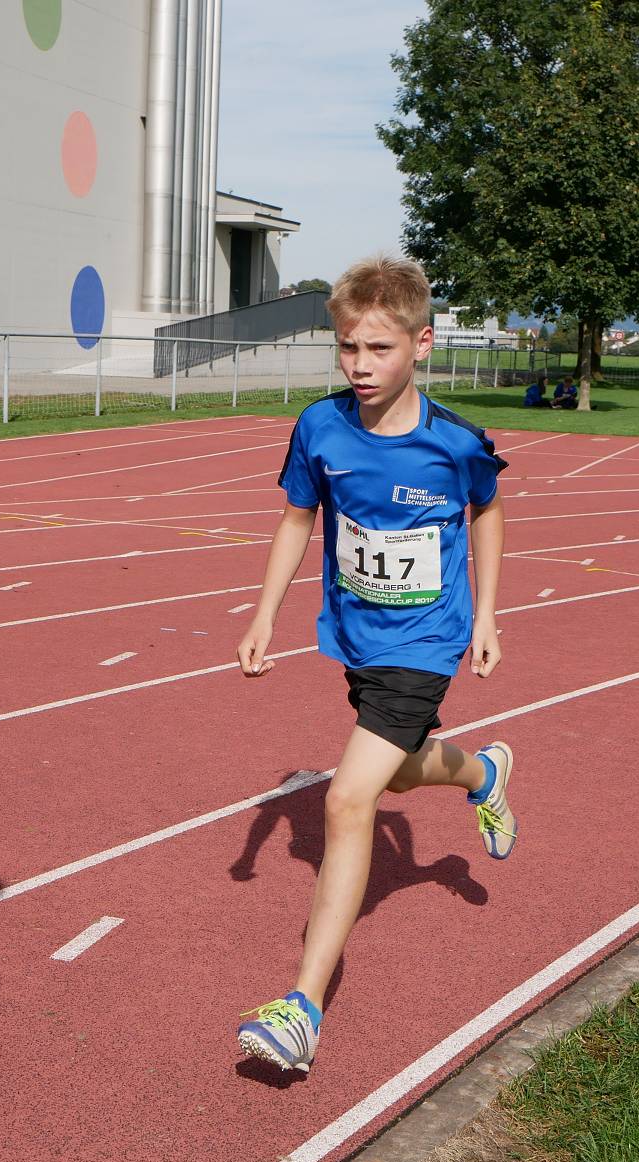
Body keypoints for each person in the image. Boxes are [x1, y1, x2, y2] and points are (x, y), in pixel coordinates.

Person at [236, 256, 516, 1074]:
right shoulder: (319, 428)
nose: (360, 365)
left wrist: (487, 613)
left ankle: (302, 1007)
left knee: (349, 797)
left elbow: (488, 510)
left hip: (427, 640)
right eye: (348, 348)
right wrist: (263, 615)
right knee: (396, 777)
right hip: (357, 635)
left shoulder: (453, 442)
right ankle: (482, 773)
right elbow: (297, 519)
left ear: (421, 345)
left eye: (379, 349)